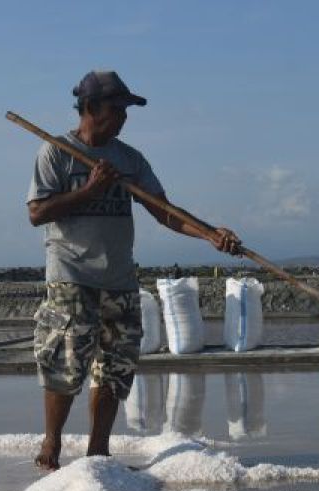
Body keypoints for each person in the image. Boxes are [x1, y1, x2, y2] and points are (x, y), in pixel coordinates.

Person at [26, 69, 242, 470]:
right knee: (65, 364)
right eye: (116, 109)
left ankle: (98, 453)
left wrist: (210, 234)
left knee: (115, 368)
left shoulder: (130, 160)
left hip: (119, 279)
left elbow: (164, 211)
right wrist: (90, 190)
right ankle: (51, 444)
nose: (123, 118)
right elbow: (37, 213)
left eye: (125, 111)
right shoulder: (56, 152)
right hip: (72, 276)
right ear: (90, 108)